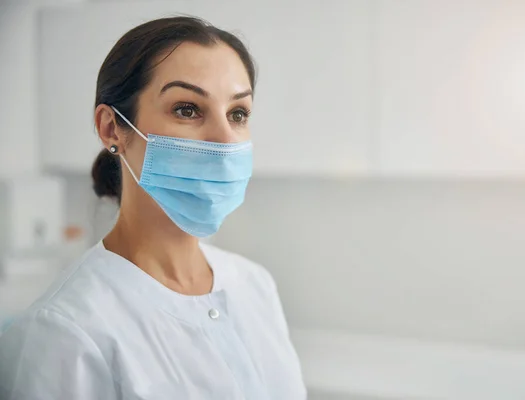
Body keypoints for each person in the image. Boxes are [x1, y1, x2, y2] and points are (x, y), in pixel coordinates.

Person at [0, 16, 306, 400]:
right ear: (112, 129)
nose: (225, 140)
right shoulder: (66, 332)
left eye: (238, 113)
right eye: (187, 109)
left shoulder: (255, 285)